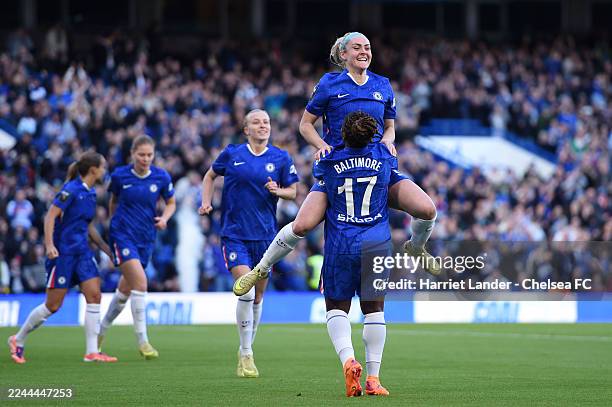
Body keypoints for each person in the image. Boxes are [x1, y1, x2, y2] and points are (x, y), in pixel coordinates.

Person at [234, 32, 439, 296]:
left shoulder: (383, 85)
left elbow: (390, 127)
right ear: (344, 55)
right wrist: (322, 146)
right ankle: (260, 268)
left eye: (367, 47)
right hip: (338, 172)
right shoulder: (330, 84)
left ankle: (417, 247)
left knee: (427, 209)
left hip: (376, 169)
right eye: (357, 48)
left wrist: (388, 140)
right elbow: (305, 125)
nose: (364, 51)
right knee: (302, 226)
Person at [198, 109, 299, 378]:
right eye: (256, 122)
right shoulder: (232, 154)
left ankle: (246, 349)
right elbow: (209, 175)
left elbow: (293, 191)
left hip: (266, 238)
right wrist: (206, 202)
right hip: (234, 234)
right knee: (247, 292)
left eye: (266, 122)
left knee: (258, 298)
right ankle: (246, 354)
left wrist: (279, 191)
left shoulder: (280, 157)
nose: (263, 125)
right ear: (246, 129)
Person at [8, 151, 117, 364]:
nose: (105, 170)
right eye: (102, 167)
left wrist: (105, 249)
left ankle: (92, 351)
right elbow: (50, 216)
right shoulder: (71, 190)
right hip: (63, 253)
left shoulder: (91, 192)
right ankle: (18, 339)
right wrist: (49, 245)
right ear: (93, 169)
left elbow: (87, 226)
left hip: (82, 253)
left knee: (94, 296)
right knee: (53, 305)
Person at [319, 111, 394, 396]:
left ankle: (349, 361)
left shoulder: (328, 160)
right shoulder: (384, 158)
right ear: (372, 134)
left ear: (343, 134)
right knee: (374, 310)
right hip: (376, 241)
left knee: (337, 308)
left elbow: (320, 180)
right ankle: (374, 379)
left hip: (341, 242)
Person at [98, 135, 176, 359]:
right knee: (141, 283)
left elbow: (171, 202)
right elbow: (114, 201)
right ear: (132, 154)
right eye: (141, 154)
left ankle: (99, 332)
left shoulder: (161, 177)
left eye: (149, 155)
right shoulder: (120, 176)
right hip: (123, 236)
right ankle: (143, 341)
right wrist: (115, 224)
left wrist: (164, 218)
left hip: (146, 237)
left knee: (124, 291)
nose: (145, 159)